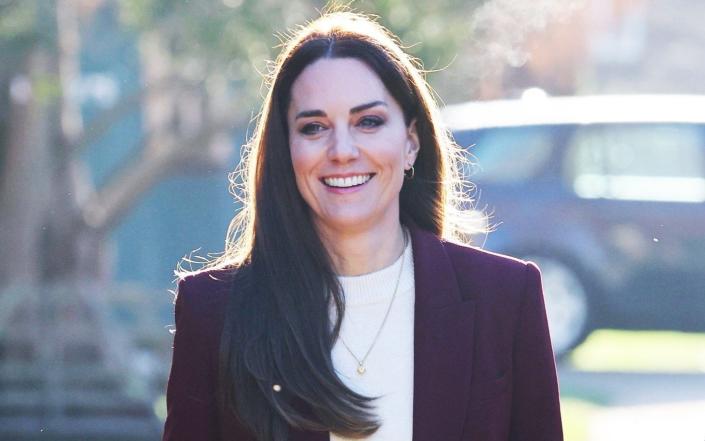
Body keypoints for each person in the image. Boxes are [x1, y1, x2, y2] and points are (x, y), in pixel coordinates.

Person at [162, 10, 563, 441]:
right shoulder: (215, 311)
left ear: (411, 141)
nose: (342, 150)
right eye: (314, 127)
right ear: (286, 150)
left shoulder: (503, 298)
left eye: (368, 121)